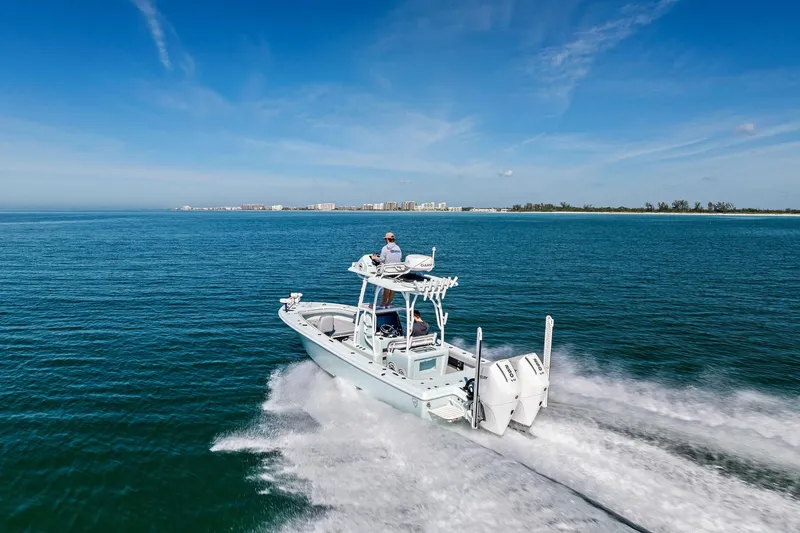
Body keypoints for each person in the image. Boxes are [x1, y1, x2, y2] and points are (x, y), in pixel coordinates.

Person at [371, 232, 401, 307]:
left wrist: (374, 258)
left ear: (387, 239)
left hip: (388, 271)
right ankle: (389, 303)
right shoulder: (398, 248)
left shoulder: (385, 248)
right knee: (392, 287)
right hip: (397, 271)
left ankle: (383, 304)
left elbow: (381, 259)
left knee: (386, 287)